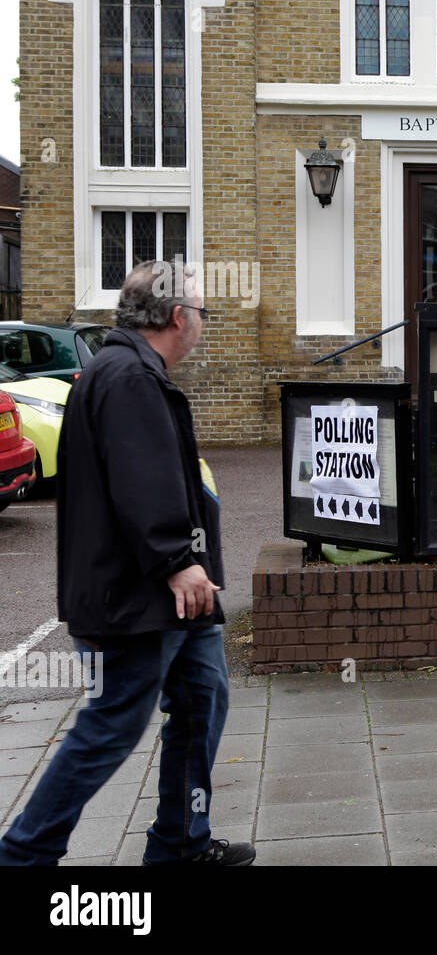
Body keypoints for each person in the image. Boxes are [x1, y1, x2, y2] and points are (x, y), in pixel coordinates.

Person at [0, 260, 254, 867]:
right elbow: (143, 482)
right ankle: (24, 855)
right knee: (111, 723)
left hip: (173, 598)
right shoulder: (130, 379)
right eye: (200, 312)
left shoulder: (127, 371)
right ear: (176, 317)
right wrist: (177, 560)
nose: (201, 323)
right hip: (139, 598)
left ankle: (180, 841)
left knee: (202, 701)